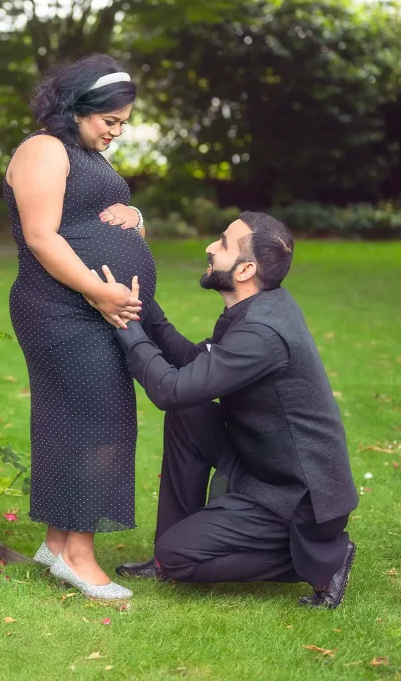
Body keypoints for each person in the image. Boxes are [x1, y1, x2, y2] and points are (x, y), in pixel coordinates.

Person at [107, 212, 358, 608]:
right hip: (262, 461)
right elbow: (192, 365)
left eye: (222, 243)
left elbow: (170, 389)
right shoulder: (258, 308)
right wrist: (140, 307)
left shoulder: (262, 333)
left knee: (178, 558)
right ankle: (164, 554)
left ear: (245, 270)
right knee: (191, 415)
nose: (210, 247)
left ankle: (322, 558)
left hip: (295, 497)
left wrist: (125, 325)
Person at [3, 54, 155, 601]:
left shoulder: (85, 155)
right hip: (61, 306)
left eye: (123, 124)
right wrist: (98, 290)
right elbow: (42, 235)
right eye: (110, 121)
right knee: (97, 422)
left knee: (73, 420)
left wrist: (137, 219)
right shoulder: (44, 149)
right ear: (77, 108)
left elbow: (96, 220)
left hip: (88, 305)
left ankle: (57, 544)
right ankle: (79, 556)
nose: (116, 132)